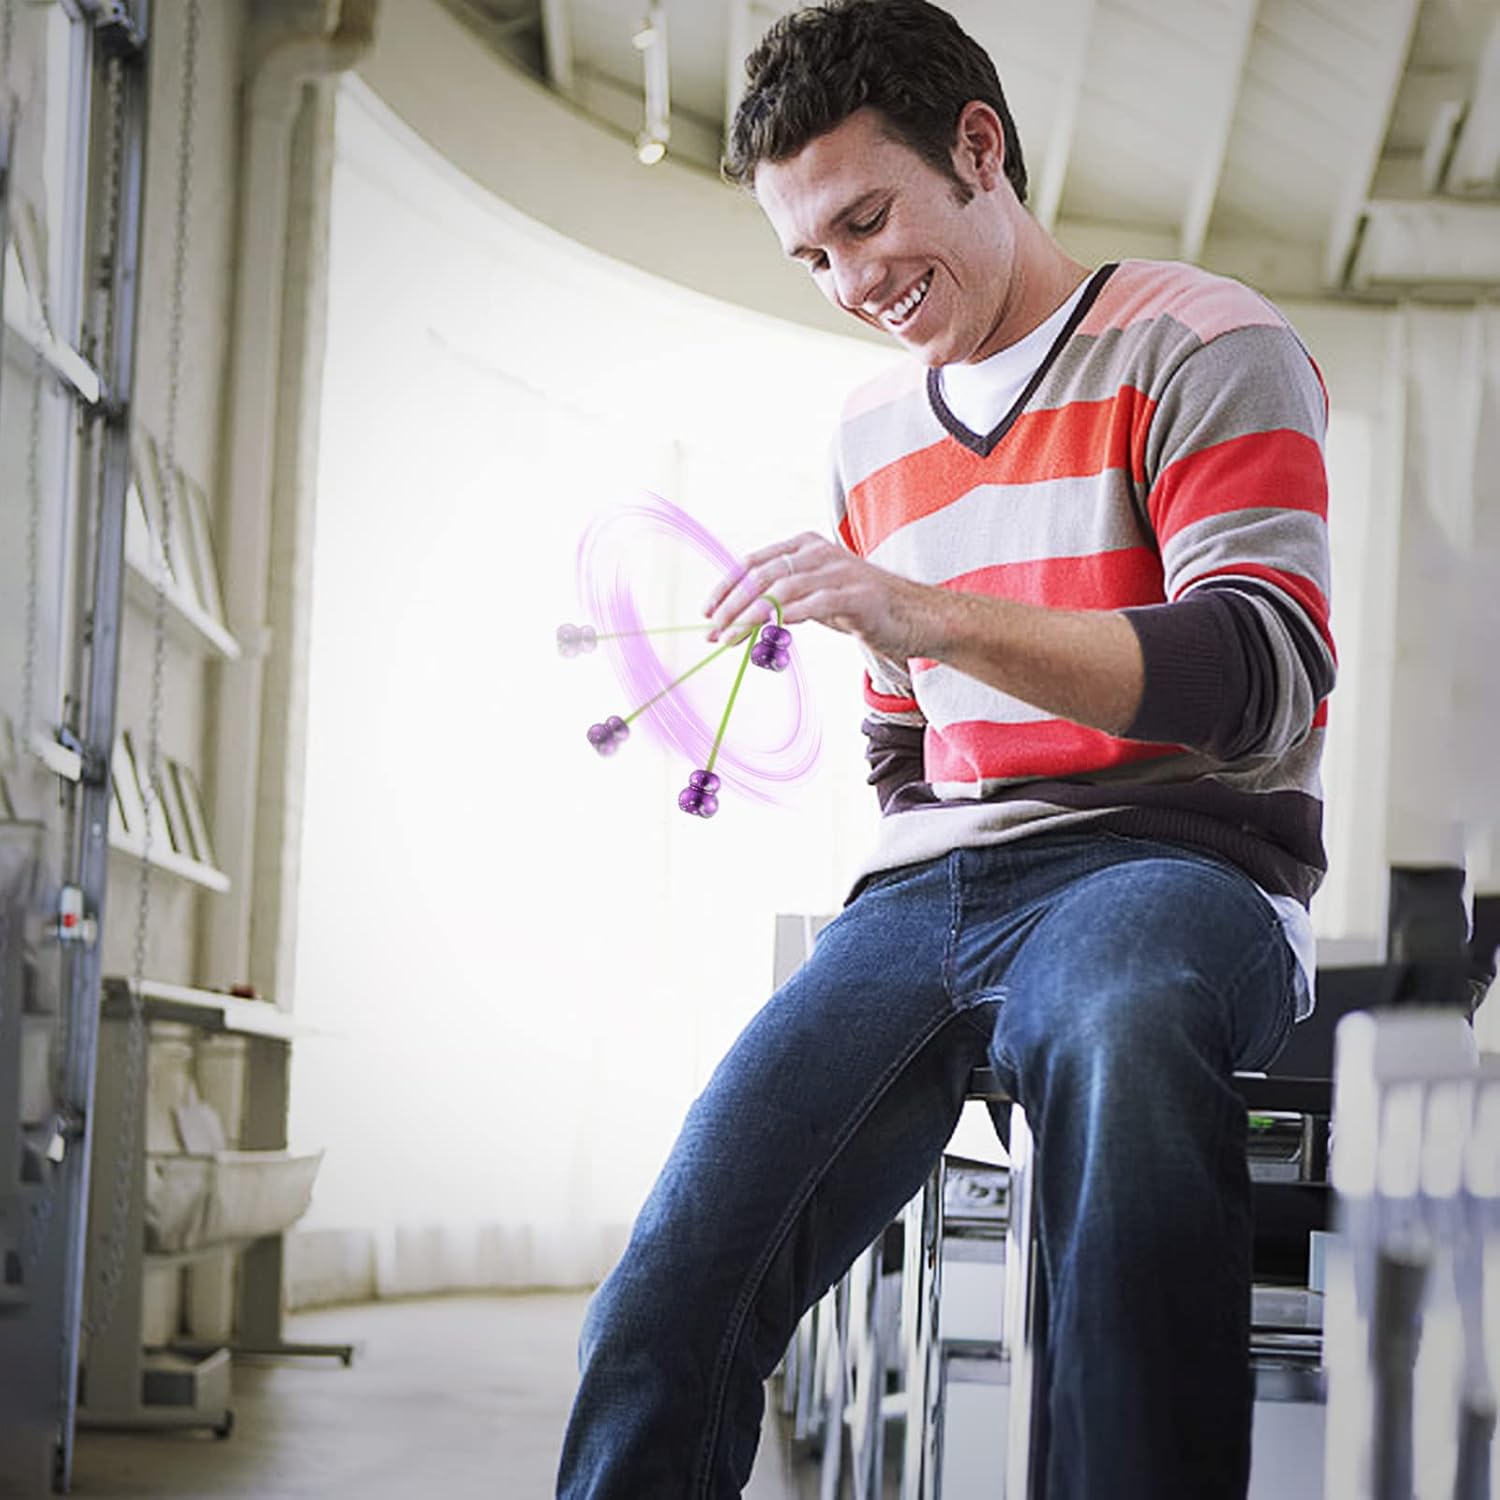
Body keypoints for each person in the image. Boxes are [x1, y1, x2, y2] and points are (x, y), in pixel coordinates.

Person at [556, 2, 1334, 1495]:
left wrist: (929, 610)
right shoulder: (868, 435)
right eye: (811, 255)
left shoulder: (1208, 341)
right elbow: (906, 744)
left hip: (1181, 868)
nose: (852, 281)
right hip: (929, 898)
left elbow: (1260, 673)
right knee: (669, 1289)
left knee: (1114, 1023)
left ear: (978, 146)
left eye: (867, 218)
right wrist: (917, 674)